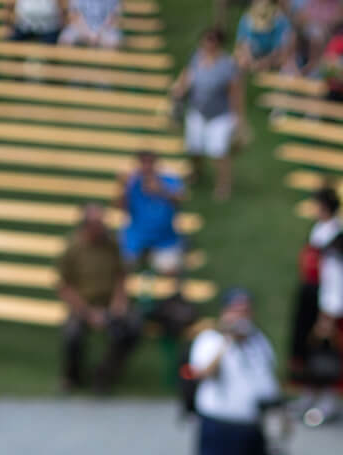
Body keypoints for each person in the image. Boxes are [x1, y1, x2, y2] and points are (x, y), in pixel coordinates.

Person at [188, 288, 282, 455]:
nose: (241, 316)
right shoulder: (210, 340)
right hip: (220, 422)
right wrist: (227, 341)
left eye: (246, 311)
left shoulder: (258, 341)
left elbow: (269, 376)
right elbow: (203, 373)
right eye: (236, 310)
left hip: (255, 422)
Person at [289, 185, 343, 427]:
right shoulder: (322, 231)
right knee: (308, 351)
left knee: (326, 352)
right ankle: (308, 394)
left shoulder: (338, 238)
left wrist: (328, 316)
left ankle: (328, 400)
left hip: (326, 303)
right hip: (312, 298)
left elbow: (338, 277)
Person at [57, 203, 138, 393]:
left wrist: (119, 302)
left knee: (132, 327)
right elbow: (64, 286)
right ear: (86, 226)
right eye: (98, 224)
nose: (103, 227)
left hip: (110, 303)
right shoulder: (73, 247)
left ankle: (103, 375)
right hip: (82, 306)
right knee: (72, 334)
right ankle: (72, 377)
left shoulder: (112, 245)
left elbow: (121, 276)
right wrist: (87, 313)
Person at [172, 28, 241, 205]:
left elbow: (234, 92)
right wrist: (179, 88)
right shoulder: (197, 57)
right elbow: (187, 74)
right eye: (206, 40)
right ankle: (197, 172)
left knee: (218, 152)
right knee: (194, 148)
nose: (208, 44)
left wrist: (238, 118)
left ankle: (223, 185)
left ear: (218, 43)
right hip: (197, 111)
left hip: (220, 115)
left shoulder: (227, 65)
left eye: (211, 41)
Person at [119, 150, 185, 275]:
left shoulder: (169, 180)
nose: (147, 166)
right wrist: (123, 188)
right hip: (136, 236)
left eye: (150, 162)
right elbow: (121, 207)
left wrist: (161, 191)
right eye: (143, 163)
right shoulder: (132, 182)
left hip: (164, 238)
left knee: (171, 273)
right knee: (121, 268)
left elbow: (180, 201)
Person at [235, 0, 292, 70]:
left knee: (284, 59)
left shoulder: (281, 21)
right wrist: (252, 62)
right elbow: (242, 45)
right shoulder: (246, 20)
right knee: (241, 59)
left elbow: (280, 50)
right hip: (254, 57)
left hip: (273, 57)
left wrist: (266, 62)